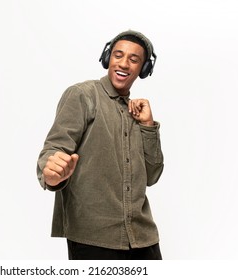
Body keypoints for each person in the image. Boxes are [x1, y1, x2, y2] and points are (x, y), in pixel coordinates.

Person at [36, 30, 164, 260]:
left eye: (134, 60)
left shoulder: (137, 112)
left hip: (143, 237)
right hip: (93, 238)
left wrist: (148, 126)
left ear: (144, 69)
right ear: (108, 58)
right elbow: (54, 149)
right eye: (118, 55)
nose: (124, 63)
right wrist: (51, 172)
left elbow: (152, 176)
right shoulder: (83, 95)